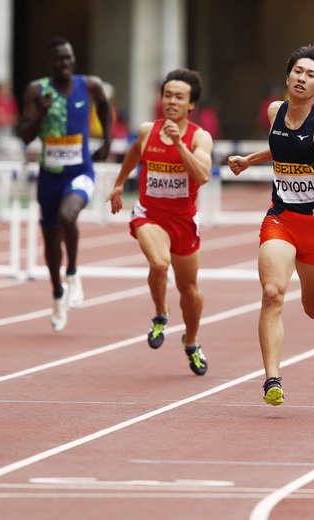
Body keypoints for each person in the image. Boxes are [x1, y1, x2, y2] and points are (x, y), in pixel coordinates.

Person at [227, 45, 314, 405]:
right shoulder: (275, 111)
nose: (302, 78)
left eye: (310, 75)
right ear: (288, 76)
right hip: (281, 219)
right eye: (298, 71)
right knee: (272, 293)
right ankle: (272, 379)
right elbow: (282, 148)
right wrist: (249, 160)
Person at [106, 69, 213, 376]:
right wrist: (118, 183)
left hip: (183, 220)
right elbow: (133, 153)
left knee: (189, 289)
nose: (171, 101)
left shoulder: (199, 137)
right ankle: (160, 313)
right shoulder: (146, 130)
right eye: (167, 95)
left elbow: (202, 175)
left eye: (179, 97)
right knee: (159, 264)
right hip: (150, 214)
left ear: (191, 104)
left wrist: (180, 145)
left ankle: (191, 342)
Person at [18, 36, 112, 332]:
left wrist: (107, 140)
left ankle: (72, 272)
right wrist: (42, 112)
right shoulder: (37, 90)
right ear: (50, 63)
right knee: (50, 239)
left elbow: (105, 107)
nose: (65, 63)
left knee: (68, 215)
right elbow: (24, 135)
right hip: (49, 176)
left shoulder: (90, 85)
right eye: (59, 59)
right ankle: (57, 293)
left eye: (69, 58)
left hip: (80, 171)